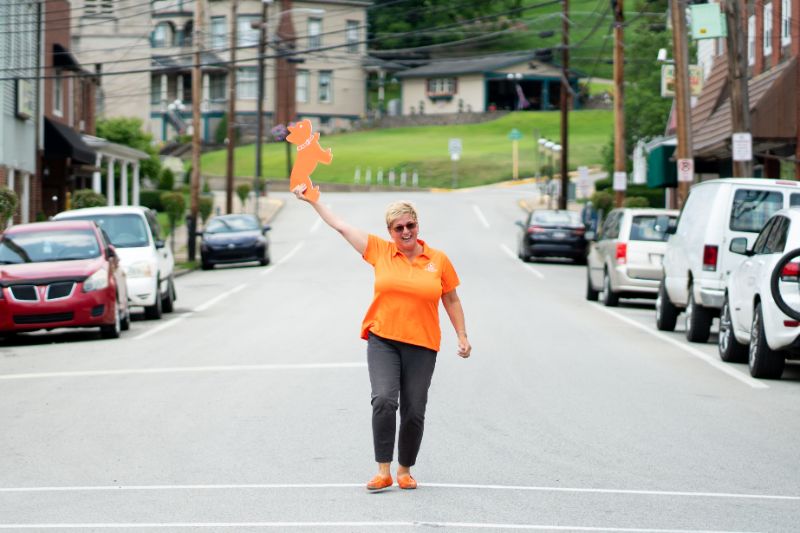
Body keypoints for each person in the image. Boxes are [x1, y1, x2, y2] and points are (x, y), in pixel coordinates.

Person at [292, 184, 471, 491]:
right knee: (385, 400)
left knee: (414, 410)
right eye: (398, 227)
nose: (405, 232)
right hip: (383, 340)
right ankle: (383, 470)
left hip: (422, 344)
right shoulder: (379, 250)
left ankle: (404, 470)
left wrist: (462, 336)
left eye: (410, 225)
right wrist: (313, 201)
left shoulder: (438, 260)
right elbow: (341, 226)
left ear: (417, 225)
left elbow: (451, 299)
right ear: (390, 231)